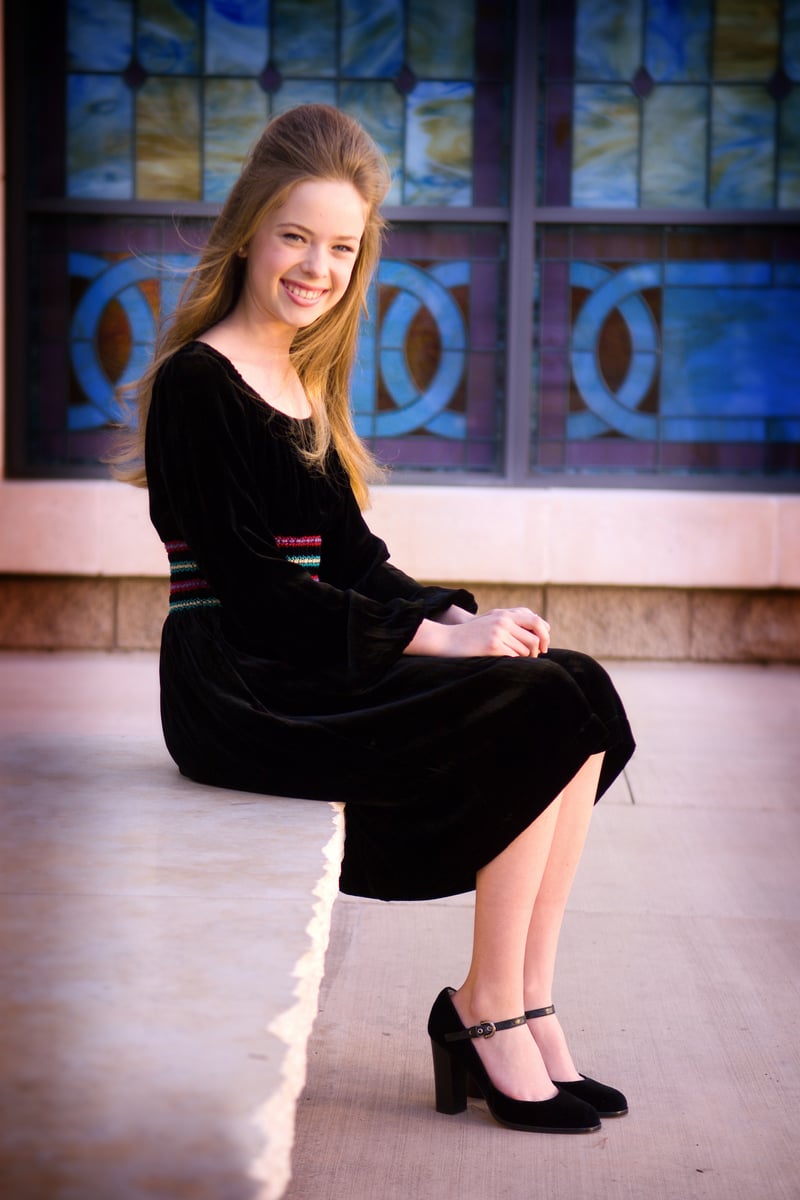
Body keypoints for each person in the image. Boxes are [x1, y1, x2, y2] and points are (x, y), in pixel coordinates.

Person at [116, 104, 635, 1134]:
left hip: (299, 654)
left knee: (574, 685)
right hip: (238, 681)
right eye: (296, 236)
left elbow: (353, 561)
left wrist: (457, 614)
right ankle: (484, 1013)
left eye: (342, 248)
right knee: (531, 707)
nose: (318, 267)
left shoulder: (300, 378)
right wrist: (433, 640)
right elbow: (255, 589)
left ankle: (524, 999)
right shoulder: (197, 384)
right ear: (249, 233)